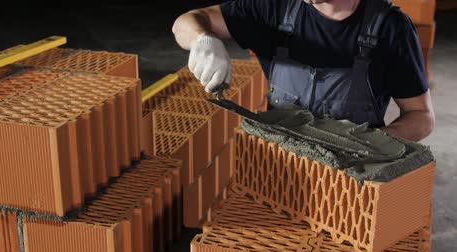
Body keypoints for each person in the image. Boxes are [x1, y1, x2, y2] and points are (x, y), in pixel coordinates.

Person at [172, 0, 435, 142]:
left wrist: (374, 142)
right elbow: (187, 22)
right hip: (282, 166)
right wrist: (202, 40)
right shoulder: (274, 8)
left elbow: (421, 116)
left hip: (354, 180)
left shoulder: (391, 27)